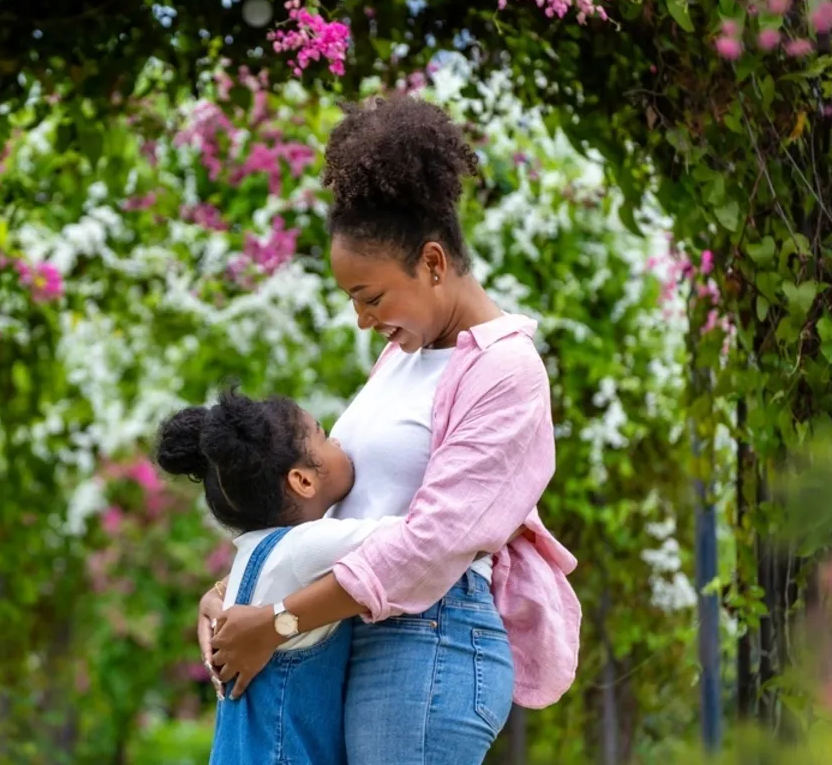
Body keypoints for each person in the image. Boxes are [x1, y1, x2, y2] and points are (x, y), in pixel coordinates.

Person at [203, 95, 583, 764]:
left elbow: (434, 542)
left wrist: (280, 622)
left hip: (431, 643)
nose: (362, 320)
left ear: (433, 263)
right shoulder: (402, 358)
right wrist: (240, 592)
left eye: (371, 298)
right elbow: (344, 507)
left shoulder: (505, 371)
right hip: (363, 633)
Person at [155, 388, 398, 765]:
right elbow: (422, 537)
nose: (337, 439)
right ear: (302, 481)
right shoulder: (308, 547)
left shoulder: (250, 556)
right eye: (322, 434)